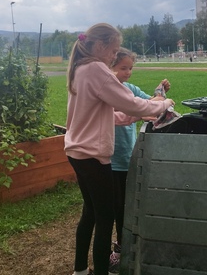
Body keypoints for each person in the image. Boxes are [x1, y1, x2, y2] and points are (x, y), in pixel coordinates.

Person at [65, 23, 174, 275]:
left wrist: (138, 115)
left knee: (90, 214)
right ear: (101, 47)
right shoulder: (96, 69)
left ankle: (80, 270)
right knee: (105, 219)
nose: (115, 56)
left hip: (76, 153)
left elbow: (112, 115)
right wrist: (163, 103)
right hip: (93, 157)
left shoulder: (80, 69)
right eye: (113, 51)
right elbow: (133, 104)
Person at [108, 48, 170, 273]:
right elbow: (138, 110)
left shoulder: (130, 89)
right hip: (110, 161)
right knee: (115, 207)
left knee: (128, 205)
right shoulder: (106, 92)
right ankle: (117, 250)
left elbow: (150, 104)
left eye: (130, 68)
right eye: (123, 68)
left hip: (128, 158)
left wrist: (160, 93)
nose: (128, 72)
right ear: (109, 67)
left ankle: (124, 244)